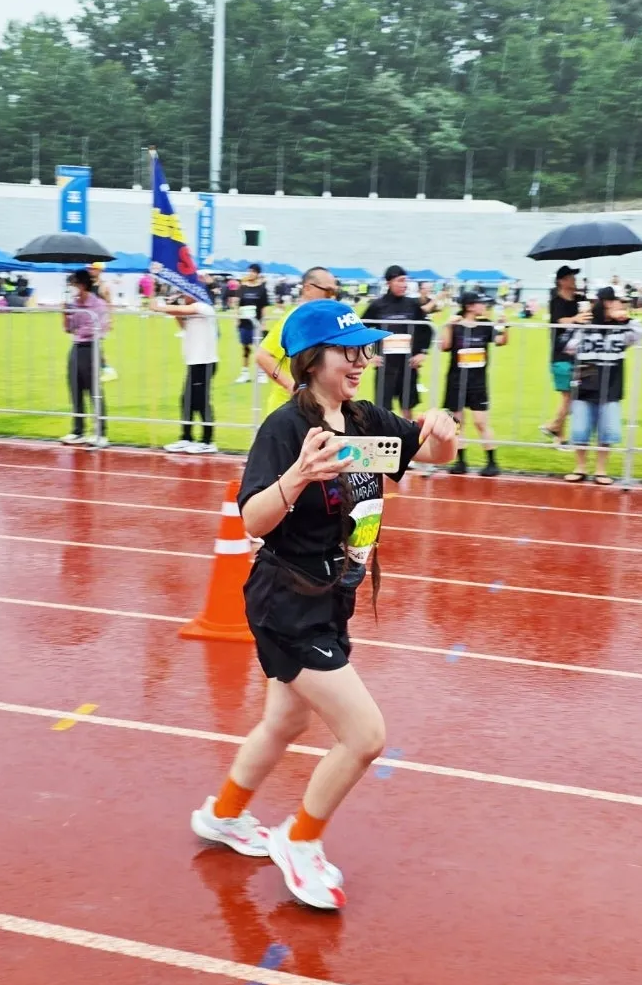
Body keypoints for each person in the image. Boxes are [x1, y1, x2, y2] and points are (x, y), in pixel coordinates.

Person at [189, 299, 458, 910]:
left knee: (284, 722)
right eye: (348, 351)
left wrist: (443, 435)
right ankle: (300, 840)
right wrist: (299, 476)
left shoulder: (363, 419)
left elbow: (430, 454)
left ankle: (223, 815)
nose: (361, 361)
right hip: (287, 600)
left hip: (332, 596)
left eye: (366, 350)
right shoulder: (286, 428)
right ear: (312, 360)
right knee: (364, 735)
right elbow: (252, 520)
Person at [563, 286, 642, 485]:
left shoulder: (623, 329)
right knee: (580, 429)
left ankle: (601, 470)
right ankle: (580, 467)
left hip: (611, 385)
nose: (617, 306)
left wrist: (624, 320)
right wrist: (578, 323)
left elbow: (641, 332)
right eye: (612, 303)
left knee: (607, 431)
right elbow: (567, 346)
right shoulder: (585, 325)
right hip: (585, 383)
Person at [440, 291, 507, 477]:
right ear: (469, 306)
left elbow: (501, 341)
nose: (484, 306)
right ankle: (461, 461)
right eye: (480, 303)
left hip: (478, 383)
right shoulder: (455, 326)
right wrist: (447, 325)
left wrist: (504, 326)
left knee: (480, 422)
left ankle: (492, 462)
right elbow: (444, 346)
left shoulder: (485, 325)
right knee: (458, 423)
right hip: (456, 381)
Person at [255, 266, 338, 414]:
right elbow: (263, 356)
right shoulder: (295, 319)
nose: (332, 298)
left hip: (316, 408)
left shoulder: (324, 319)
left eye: (335, 292)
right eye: (328, 291)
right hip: (289, 411)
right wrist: (292, 386)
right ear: (307, 289)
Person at [153, 281, 220, 455]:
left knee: (201, 402)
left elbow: (185, 310)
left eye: (186, 292)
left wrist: (160, 307)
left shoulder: (205, 307)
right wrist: (173, 309)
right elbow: (183, 324)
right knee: (186, 401)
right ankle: (186, 437)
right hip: (194, 362)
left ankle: (207, 441)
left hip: (204, 362)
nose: (184, 295)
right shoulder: (192, 311)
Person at [361, 266, 433, 419]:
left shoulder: (412, 305)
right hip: (385, 367)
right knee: (383, 412)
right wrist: (369, 355)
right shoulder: (377, 305)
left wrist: (422, 352)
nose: (404, 285)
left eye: (405, 281)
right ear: (389, 282)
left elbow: (427, 329)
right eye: (400, 281)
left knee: (407, 409)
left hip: (408, 366)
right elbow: (361, 330)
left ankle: (408, 434)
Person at [540, 266, 590, 446]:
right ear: (561, 281)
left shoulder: (581, 299)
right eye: (570, 277)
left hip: (581, 354)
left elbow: (589, 317)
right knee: (569, 396)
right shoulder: (556, 301)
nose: (574, 280)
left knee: (572, 396)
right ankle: (553, 427)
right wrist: (576, 319)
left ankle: (558, 436)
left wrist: (588, 310)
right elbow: (559, 321)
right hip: (561, 356)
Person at [60, 269, 110, 449]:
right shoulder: (73, 304)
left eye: (74, 284)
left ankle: (101, 433)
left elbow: (99, 329)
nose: (71, 288)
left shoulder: (98, 304)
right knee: (75, 388)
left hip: (91, 348)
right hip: (76, 347)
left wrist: (81, 324)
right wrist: (64, 314)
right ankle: (78, 430)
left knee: (94, 391)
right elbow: (69, 328)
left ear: (82, 285)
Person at [235, 264, 269, 384]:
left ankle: (261, 374)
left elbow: (264, 307)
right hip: (244, 323)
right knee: (245, 348)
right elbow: (238, 305)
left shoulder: (262, 289)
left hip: (257, 324)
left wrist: (263, 323)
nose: (250, 274)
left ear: (258, 274)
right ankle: (245, 373)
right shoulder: (242, 288)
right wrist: (237, 319)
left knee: (259, 349)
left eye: (253, 272)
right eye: (249, 271)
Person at [88, 263, 118, 383]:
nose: (90, 270)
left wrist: (109, 320)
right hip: (87, 322)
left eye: (93, 269)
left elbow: (109, 304)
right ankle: (103, 370)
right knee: (92, 347)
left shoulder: (103, 287)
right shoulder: (87, 285)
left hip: (98, 322)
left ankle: (108, 370)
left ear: (99, 270)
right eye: (89, 269)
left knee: (96, 347)